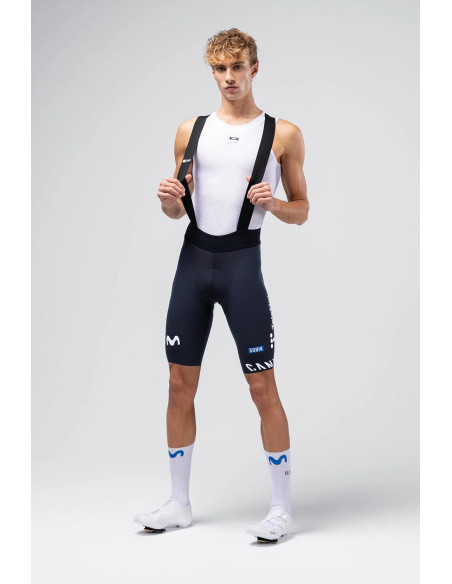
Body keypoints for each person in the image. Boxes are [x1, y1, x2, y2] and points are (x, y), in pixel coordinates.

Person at [134, 27, 309, 543]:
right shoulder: (190, 130)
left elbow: (302, 210)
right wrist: (169, 200)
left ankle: (281, 509)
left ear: (254, 68)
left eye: (237, 67)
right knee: (177, 384)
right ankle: (178, 503)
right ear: (212, 72)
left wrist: (274, 204)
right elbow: (176, 210)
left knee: (262, 387)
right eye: (219, 69)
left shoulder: (283, 135)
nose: (229, 77)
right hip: (193, 264)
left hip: (241, 268)